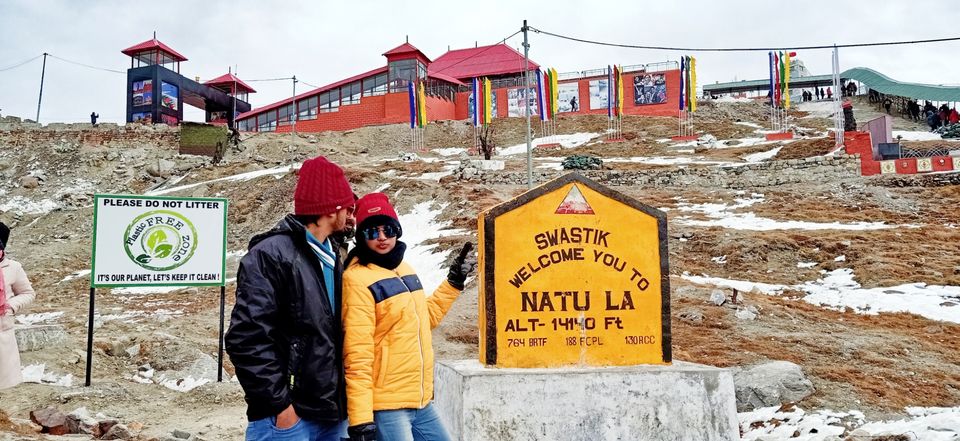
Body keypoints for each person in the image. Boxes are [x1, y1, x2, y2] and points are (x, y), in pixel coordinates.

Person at [225, 156, 356, 441]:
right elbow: (246, 339)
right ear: (332, 209)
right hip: (287, 420)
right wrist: (281, 408)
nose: (350, 212)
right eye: (347, 204)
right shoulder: (270, 255)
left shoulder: (333, 256)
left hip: (329, 415)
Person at [342, 193, 476, 441]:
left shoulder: (403, 268)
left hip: (420, 401)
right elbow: (357, 356)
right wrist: (361, 420)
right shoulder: (357, 279)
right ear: (362, 236)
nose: (382, 237)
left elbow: (424, 319)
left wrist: (453, 283)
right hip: (387, 406)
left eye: (388, 229)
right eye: (372, 232)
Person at [0, 221, 36, 390]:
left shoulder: (13, 267)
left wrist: (10, 306)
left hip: (3, 332)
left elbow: (28, 293)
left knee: (4, 386)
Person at [331, 193, 360, 265]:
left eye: (355, 214)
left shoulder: (356, 247)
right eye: (348, 211)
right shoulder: (322, 243)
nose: (351, 218)